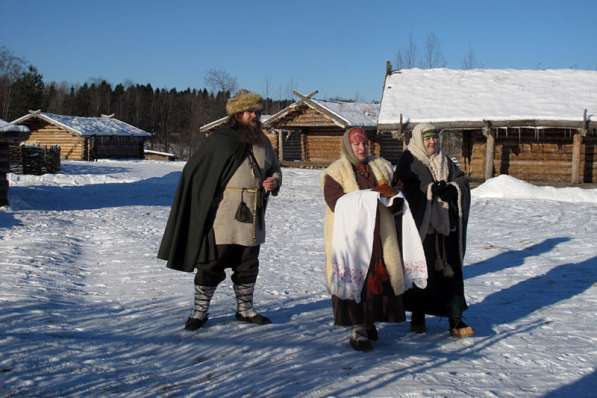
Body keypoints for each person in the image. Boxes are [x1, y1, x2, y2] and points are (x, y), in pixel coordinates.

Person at [158, 89, 282, 331]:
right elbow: (195, 173)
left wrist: (274, 180)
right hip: (222, 215)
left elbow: (275, 169)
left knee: (248, 262)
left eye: (257, 111)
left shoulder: (263, 141)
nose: (254, 116)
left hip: (253, 213)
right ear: (237, 114)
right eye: (249, 111)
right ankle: (199, 312)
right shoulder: (220, 140)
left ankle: (245, 310)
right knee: (211, 263)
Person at [322, 127, 406, 351]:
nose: (361, 148)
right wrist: (372, 196)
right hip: (352, 237)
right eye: (356, 144)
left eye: (364, 144)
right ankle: (357, 327)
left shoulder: (382, 166)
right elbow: (336, 203)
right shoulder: (335, 172)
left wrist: (395, 195)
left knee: (376, 277)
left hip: (379, 234)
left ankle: (369, 322)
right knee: (355, 278)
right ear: (347, 146)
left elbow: (394, 191)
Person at [393, 123, 474, 338]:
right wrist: (428, 191)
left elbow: (462, 181)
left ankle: (455, 320)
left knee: (451, 274)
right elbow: (401, 191)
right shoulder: (408, 160)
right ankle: (418, 317)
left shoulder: (445, 161)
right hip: (421, 231)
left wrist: (452, 189)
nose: (432, 142)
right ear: (419, 139)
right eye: (427, 138)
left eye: (434, 138)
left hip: (446, 229)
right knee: (420, 273)